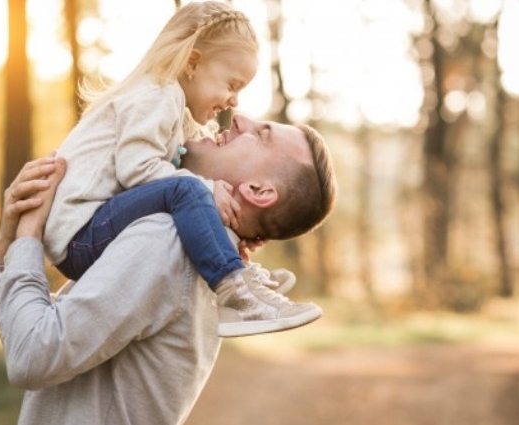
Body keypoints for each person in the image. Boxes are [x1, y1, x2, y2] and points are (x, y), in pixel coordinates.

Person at [0, 113, 337, 425]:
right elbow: (34, 333)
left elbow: (32, 355)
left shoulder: (170, 239)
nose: (239, 119)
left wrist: (29, 237)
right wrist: (8, 252)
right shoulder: (199, 248)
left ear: (258, 191)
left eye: (261, 136)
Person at [44, 1, 316, 337]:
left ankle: (237, 269)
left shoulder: (172, 105)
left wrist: (229, 232)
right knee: (186, 188)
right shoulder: (156, 96)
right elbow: (137, 170)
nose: (235, 103)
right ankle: (237, 294)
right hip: (79, 236)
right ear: (193, 62)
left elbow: (195, 150)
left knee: (189, 188)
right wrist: (205, 188)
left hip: (92, 230)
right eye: (232, 85)